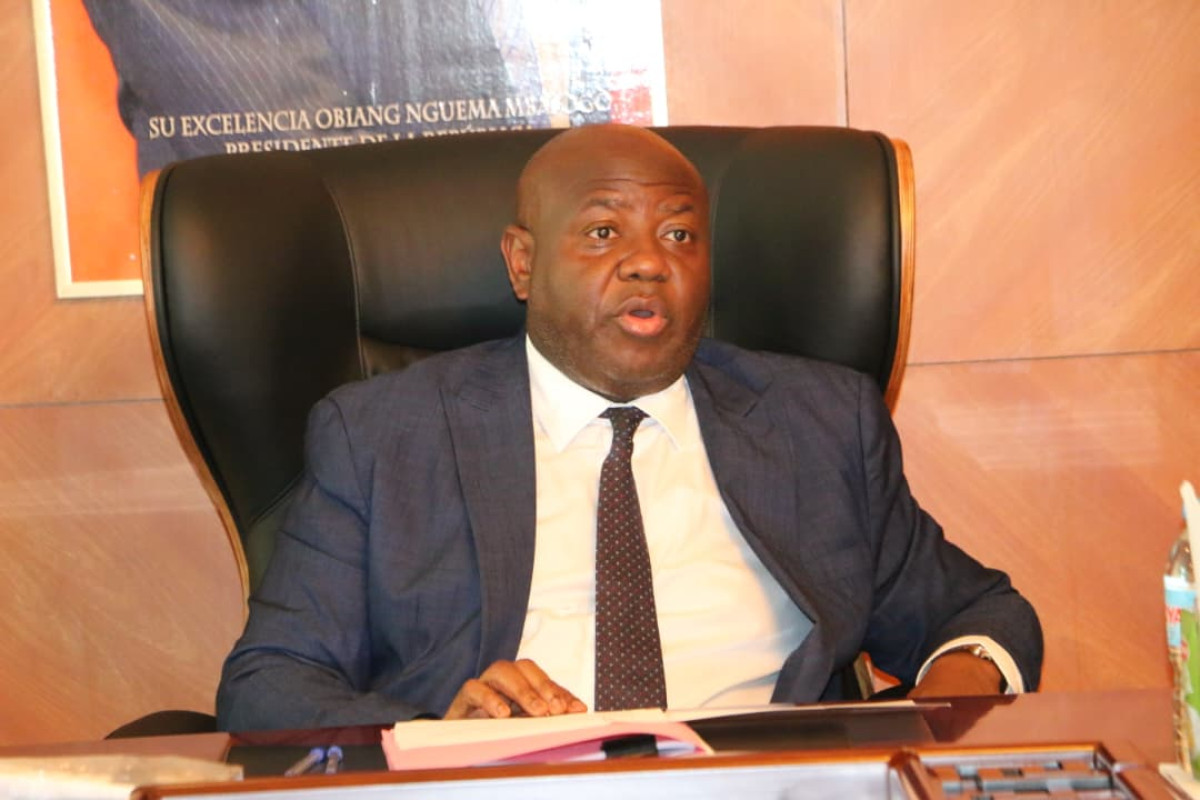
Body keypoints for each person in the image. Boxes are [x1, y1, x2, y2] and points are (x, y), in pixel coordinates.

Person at [216, 124, 1042, 730]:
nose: (650, 261)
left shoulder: (816, 424)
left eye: (679, 234)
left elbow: (981, 616)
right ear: (522, 262)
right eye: (603, 231)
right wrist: (441, 739)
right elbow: (269, 684)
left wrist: (939, 716)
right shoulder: (383, 436)